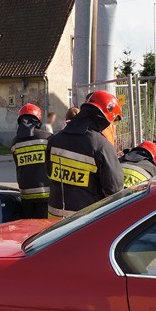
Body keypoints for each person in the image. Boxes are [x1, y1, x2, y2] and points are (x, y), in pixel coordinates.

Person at [45, 90, 123, 218]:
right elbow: (114, 189)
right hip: (84, 221)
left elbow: (49, 172)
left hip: (54, 219)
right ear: (105, 117)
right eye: (113, 120)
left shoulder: (55, 139)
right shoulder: (101, 145)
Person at [11, 104, 52, 218]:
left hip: (26, 195)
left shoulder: (15, 142)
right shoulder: (47, 138)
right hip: (46, 194)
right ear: (38, 119)